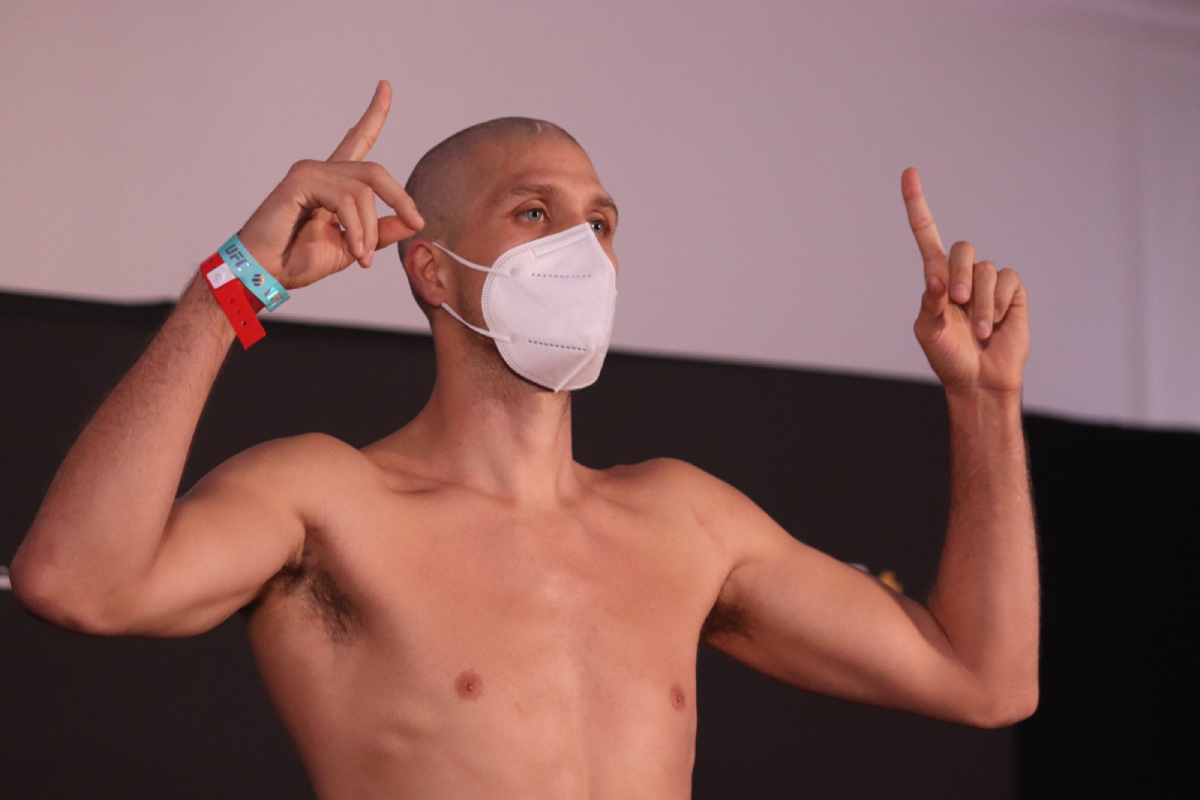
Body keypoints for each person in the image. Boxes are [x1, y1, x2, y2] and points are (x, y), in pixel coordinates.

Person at [11, 80, 1038, 799]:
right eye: (535, 213)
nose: (580, 249)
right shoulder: (329, 501)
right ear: (432, 268)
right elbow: (75, 581)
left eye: (601, 222)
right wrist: (231, 285)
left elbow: (984, 678)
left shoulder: (684, 520)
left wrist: (984, 401)